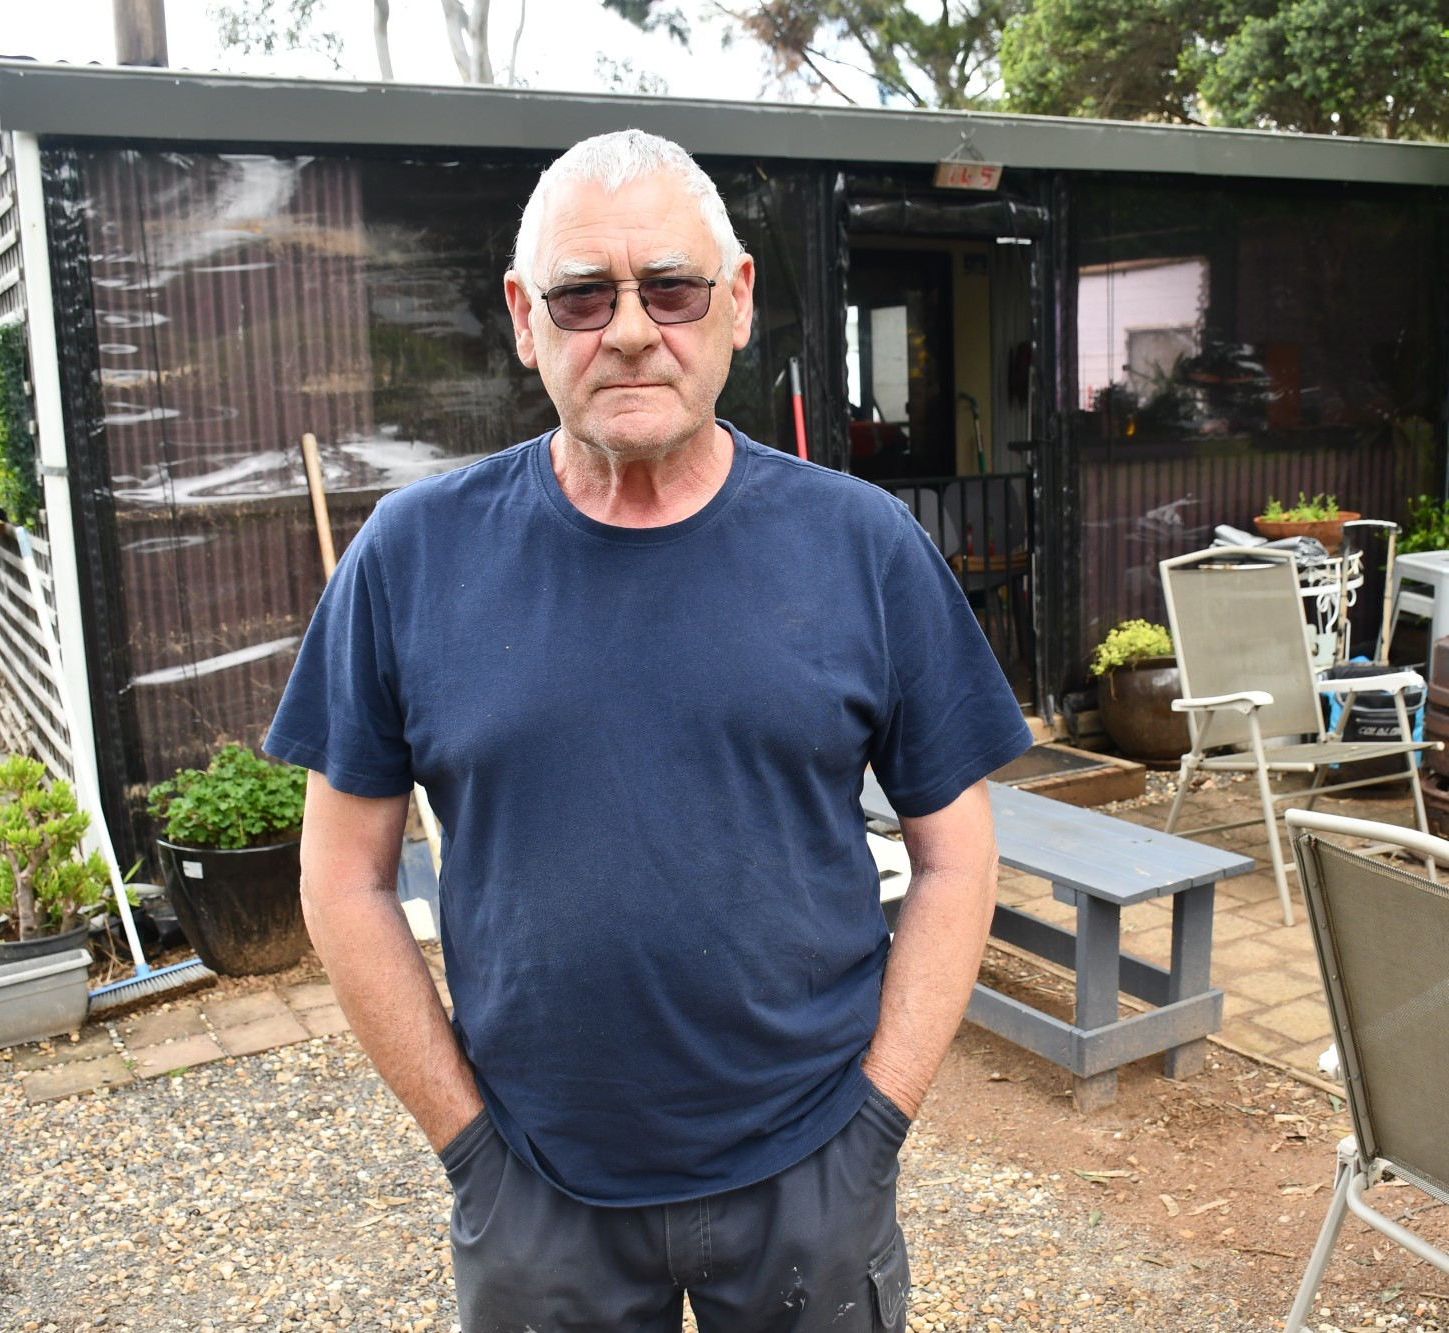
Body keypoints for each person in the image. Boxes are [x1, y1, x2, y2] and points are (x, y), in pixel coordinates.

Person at [264, 129, 1033, 1332]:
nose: (628, 328)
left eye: (668, 286)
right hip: (536, 1186)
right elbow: (342, 877)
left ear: (732, 303)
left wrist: (878, 1120)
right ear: (525, 317)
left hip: (809, 1170)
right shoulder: (410, 558)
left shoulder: (860, 547)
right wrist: (468, 1148)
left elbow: (956, 850)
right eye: (582, 294)